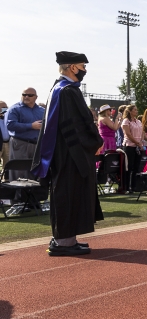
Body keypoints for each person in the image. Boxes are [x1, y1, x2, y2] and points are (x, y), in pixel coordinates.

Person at [32, 52, 104, 256]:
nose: (84, 70)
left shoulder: (59, 89)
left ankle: (67, 239)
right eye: (82, 66)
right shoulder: (67, 91)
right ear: (72, 67)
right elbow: (77, 126)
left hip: (65, 152)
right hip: (70, 154)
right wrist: (95, 142)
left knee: (69, 193)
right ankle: (63, 242)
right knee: (68, 194)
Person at [6, 87, 45, 180]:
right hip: (20, 144)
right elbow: (10, 125)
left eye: (30, 95)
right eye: (24, 94)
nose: (26, 97)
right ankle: (16, 190)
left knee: (34, 172)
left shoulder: (42, 110)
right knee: (18, 171)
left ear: (36, 97)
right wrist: (31, 126)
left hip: (37, 145)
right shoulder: (15, 109)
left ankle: (33, 190)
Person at [121, 105, 144, 193]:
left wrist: (140, 142)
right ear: (130, 111)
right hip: (129, 146)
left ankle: (134, 186)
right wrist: (137, 142)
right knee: (129, 167)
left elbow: (142, 132)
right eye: (135, 110)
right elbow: (128, 134)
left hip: (138, 146)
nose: (136, 111)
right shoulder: (126, 121)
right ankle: (127, 186)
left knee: (136, 167)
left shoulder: (138, 121)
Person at [0, 101, 10, 171]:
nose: (5, 109)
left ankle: (6, 177)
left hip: (8, 143)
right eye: (3, 107)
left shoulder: (7, 118)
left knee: (7, 165)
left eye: (6, 107)